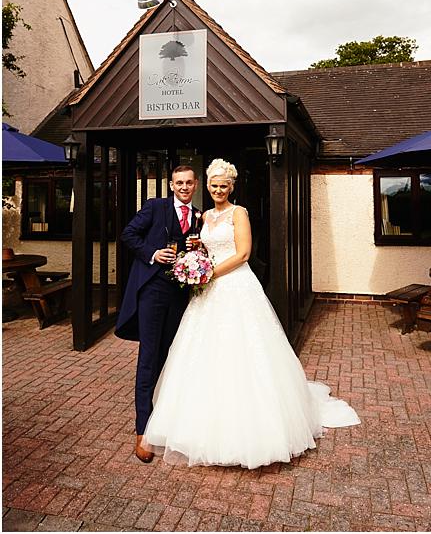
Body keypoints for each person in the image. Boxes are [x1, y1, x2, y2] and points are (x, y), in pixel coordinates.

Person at [141, 159, 359, 468]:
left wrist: (209, 273)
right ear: (209, 186)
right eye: (213, 185)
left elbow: (243, 253)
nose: (218, 190)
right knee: (204, 353)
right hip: (208, 291)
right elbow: (205, 249)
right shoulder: (205, 216)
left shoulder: (238, 213)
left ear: (232, 187)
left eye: (223, 186)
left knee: (242, 349)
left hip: (234, 286)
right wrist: (196, 256)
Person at [117, 165, 201, 463]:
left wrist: (198, 250)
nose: (184, 187)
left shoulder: (199, 217)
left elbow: (199, 256)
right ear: (170, 185)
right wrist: (153, 253)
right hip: (153, 292)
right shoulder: (155, 207)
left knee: (172, 359)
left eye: (189, 182)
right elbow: (128, 234)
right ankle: (142, 432)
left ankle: (167, 421)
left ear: (195, 184)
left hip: (180, 296)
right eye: (179, 182)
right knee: (149, 359)